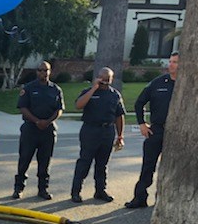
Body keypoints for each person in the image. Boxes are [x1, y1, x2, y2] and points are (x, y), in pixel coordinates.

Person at [125, 52, 178, 208]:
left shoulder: (188, 84)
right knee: (148, 166)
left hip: (178, 133)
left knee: (172, 168)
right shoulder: (158, 83)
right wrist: (142, 124)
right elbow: (139, 103)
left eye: (175, 62)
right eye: (170, 61)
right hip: (157, 130)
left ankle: (164, 201)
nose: (171, 64)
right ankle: (140, 198)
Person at [70, 67, 126, 203]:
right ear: (97, 77)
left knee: (102, 164)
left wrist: (120, 136)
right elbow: (78, 105)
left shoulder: (115, 95)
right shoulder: (88, 92)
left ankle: (100, 191)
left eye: (108, 79)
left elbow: (119, 116)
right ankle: (76, 192)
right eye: (102, 78)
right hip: (90, 130)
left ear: (111, 79)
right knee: (85, 161)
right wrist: (93, 88)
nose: (104, 81)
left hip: (107, 131)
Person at [12, 61, 64, 200]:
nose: (43, 73)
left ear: (50, 71)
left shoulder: (56, 89)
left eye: (46, 70)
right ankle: (18, 188)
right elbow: (23, 107)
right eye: (40, 70)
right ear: (37, 72)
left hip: (48, 130)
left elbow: (59, 109)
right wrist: (37, 121)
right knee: (24, 160)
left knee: (45, 162)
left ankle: (43, 189)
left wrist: (48, 122)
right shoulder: (28, 88)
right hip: (30, 128)